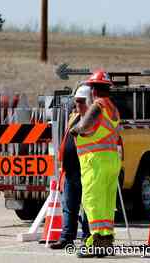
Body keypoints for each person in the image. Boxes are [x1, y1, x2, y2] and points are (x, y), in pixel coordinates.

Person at [70, 70, 122, 257]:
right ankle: (106, 241)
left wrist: (75, 130)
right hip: (112, 161)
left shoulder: (98, 106)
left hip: (95, 162)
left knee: (92, 202)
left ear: (93, 90)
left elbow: (84, 126)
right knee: (107, 204)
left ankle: (95, 242)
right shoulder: (113, 109)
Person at [50, 85, 91, 249]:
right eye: (76, 101)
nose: (77, 104)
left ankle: (87, 238)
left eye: (81, 101)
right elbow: (67, 138)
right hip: (70, 169)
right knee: (69, 206)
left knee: (88, 206)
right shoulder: (74, 117)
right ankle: (66, 237)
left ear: (89, 102)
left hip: (86, 169)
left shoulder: (93, 121)